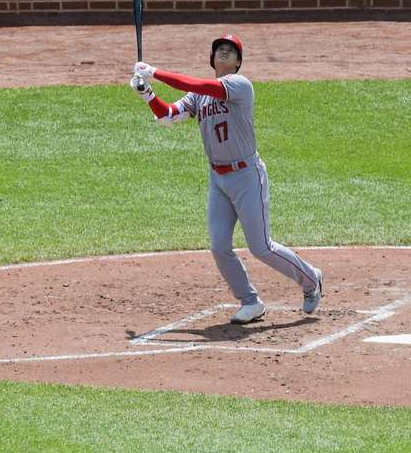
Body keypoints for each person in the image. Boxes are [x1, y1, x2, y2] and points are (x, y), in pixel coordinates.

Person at [129, 35, 323, 324]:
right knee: (219, 246)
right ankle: (250, 301)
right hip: (218, 179)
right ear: (212, 58)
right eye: (220, 49)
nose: (224, 51)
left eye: (230, 51)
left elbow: (199, 84)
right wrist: (147, 93)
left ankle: (311, 279)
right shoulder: (199, 98)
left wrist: (155, 71)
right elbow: (168, 116)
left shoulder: (240, 85)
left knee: (261, 247)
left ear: (238, 62)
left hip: (247, 175)